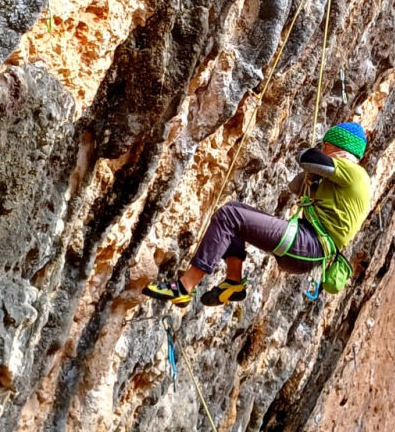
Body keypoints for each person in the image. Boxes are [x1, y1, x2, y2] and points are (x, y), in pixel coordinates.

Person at [142, 122, 371, 306]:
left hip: (307, 243)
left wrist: (314, 154)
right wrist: (314, 179)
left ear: (337, 148)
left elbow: (308, 158)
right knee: (236, 214)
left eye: (326, 145)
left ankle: (185, 286)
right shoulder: (345, 180)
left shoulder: (353, 171)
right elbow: (295, 186)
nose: (323, 149)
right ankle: (233, 282)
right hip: (307, 250)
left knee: (230, 214)